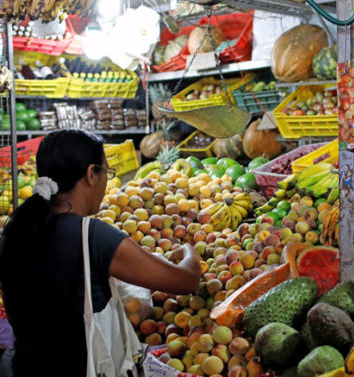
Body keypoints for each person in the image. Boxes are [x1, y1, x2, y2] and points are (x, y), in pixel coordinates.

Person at [0, 129, 202, 377]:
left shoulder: (15, 231)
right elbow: (186, 281)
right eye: (106, 171)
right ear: (90, 174)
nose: (107, 180)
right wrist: (190, 252)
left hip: (26, 368)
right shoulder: (93, 236)